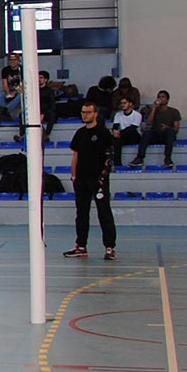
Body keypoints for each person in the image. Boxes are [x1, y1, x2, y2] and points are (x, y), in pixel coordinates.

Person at [65, 100, 118, 261]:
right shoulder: (80, 133)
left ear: (95, 114)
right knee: (81, 213)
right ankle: (81, 246)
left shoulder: (103, 133)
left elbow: (109, 157)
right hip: (81, 180)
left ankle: (110, 248)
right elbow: (75, 156)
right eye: (83, 112)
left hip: (98, 180)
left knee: (104, 213)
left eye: (88, 112)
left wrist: (103, 177)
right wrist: (73, 175)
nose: (85, 115)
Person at [129, 89, 181, 167]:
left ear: (167, 100)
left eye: (163, 97)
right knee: (146, 133)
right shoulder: (153, 110)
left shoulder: (174, 111)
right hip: (156, 134)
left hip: (167, 135)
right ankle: (139, 158)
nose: (160, 99)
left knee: (170, 131)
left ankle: (168, 158)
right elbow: (148, 123)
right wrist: (154, 108)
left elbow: (176, 129)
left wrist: (167, 127)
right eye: (159, 97)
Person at [109, 95, 143, 168]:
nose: (122, 105)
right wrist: (115, 132)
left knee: (130, 131)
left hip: (134, 137)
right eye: (121, 103)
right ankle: (117, 164)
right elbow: (115, 126)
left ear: (130, 104)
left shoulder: (137, 115)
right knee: (116, 139)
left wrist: (119, 133)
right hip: (122, 136)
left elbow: (133, 128)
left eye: (124, 103)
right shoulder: (118, 114)